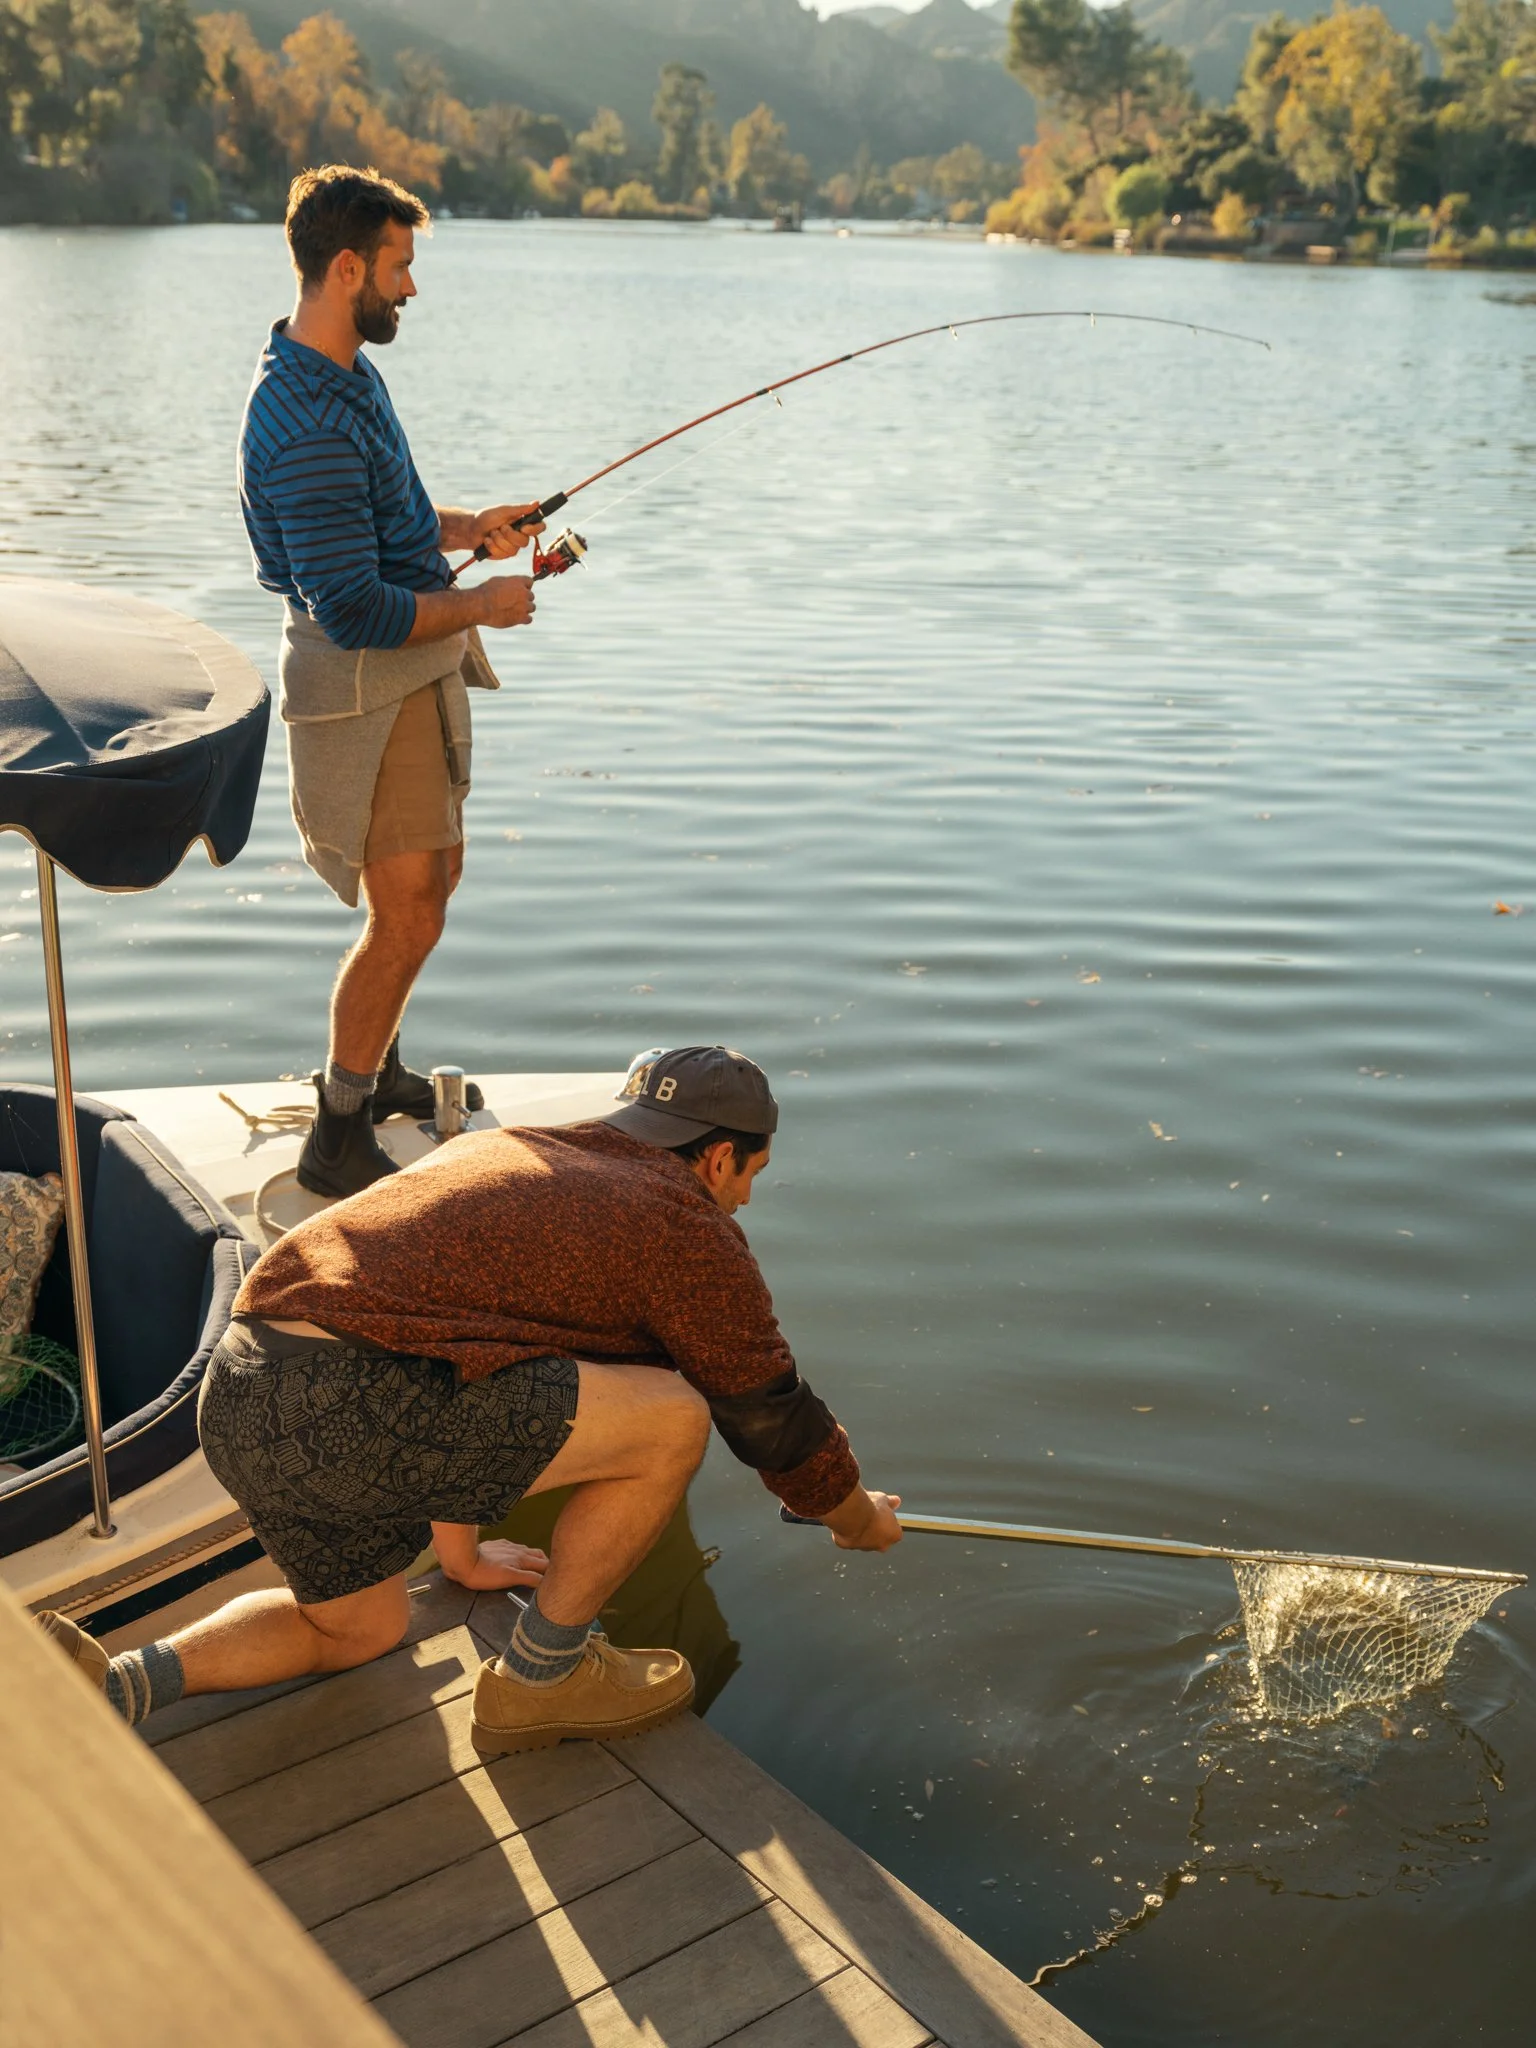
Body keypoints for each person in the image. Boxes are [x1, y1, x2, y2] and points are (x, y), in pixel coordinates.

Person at [40, 1047, 902, 1753]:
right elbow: (767, 1414)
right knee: (675, 1413)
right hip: (354, 1402)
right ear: (720, 1156)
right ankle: (541, 1678)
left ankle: (112, 1687)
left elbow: (466, 1338)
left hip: (239, 1391)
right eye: (750, 1173)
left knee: (355, 1628)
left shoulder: (511, 1154)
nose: (745, 1196)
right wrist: (851, 1515)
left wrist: (462, 1558)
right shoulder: (681, 1221)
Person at [239, 163, 547, 1199]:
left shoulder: (343, 375)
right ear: (346, 265)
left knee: (429, 884)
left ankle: (381, 1073)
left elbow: (384, 528)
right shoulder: (306, 420)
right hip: (367, 680)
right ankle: (338, 1129)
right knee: (408, 906)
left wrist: (465, 529)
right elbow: (358, 608)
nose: (410, 288)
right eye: (401, 267)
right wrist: (486, 602)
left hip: (411, 664)